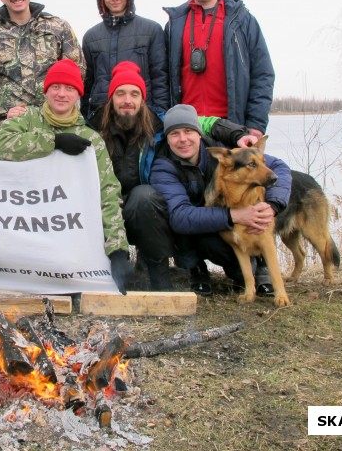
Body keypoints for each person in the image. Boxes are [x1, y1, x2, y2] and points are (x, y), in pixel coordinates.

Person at [89, 61, 257, 291]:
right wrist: (21, 116)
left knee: (144, 196)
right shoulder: (93, 128)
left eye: (134, 94)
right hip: (105, 208)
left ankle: (159, 276)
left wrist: (237, 134)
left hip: (147, 211)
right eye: (120, 94)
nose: (127, 100)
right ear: (111, 98)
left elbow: (203, 123)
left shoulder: (159, 124)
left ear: (142, 99)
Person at [0, 59, 133, 294]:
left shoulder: (91, 139)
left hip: (66, 232)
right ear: (46, 91)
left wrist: (118, 250)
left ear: (78, 95)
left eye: (69, 89)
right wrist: (53, 142)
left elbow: (108, 193)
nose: (61, 94)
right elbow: (1, 147)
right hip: (24, 224)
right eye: (55, 87)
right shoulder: (26, 119)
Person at [150, 104, 291, 297]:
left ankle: (256, 269)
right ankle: (196, 269)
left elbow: (279, 168)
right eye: (174, 134)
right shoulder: (162, 167)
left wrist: (273, 205)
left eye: (188, 131)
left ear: (199, 133)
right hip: (199, 230)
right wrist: (235, 215)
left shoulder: (227, 153)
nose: (183, 139)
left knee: (246, 245)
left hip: (222, 220)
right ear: (167, 138)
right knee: (205, 239)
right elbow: (180, 217)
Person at [164, 0, 274, 139]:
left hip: (234, 126)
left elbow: (262, 74)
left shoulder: (243, 21)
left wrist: (255, 125)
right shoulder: (175, 25)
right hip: (188, 127)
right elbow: (163, 77)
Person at [0, 0, 84, 134]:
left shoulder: (58, 28)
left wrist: (59, 106)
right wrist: (2, 109)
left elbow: (76, 72)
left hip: (55, 124)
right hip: (9, 127)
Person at [81, 0, 169, 118]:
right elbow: (88, 82)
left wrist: (160, 114)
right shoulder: (91, 37)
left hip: (142, 114)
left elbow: (159, 76)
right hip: (102, 115)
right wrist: (86, 115)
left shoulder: (151, 30)